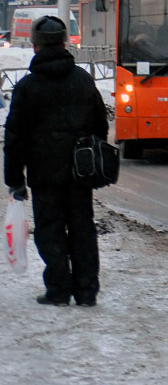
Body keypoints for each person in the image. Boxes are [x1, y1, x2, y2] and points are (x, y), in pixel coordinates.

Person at [4, 15, 110, 307]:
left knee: (50, 230)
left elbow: (14, 137)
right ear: (65, 44)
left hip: (44, 175)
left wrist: (15, 179)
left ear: (35, 47)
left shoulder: (27, 87)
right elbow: (100, 125)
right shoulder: (83, 80)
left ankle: (58, 290)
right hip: (80, 172)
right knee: (83, 228)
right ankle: (87, 291)